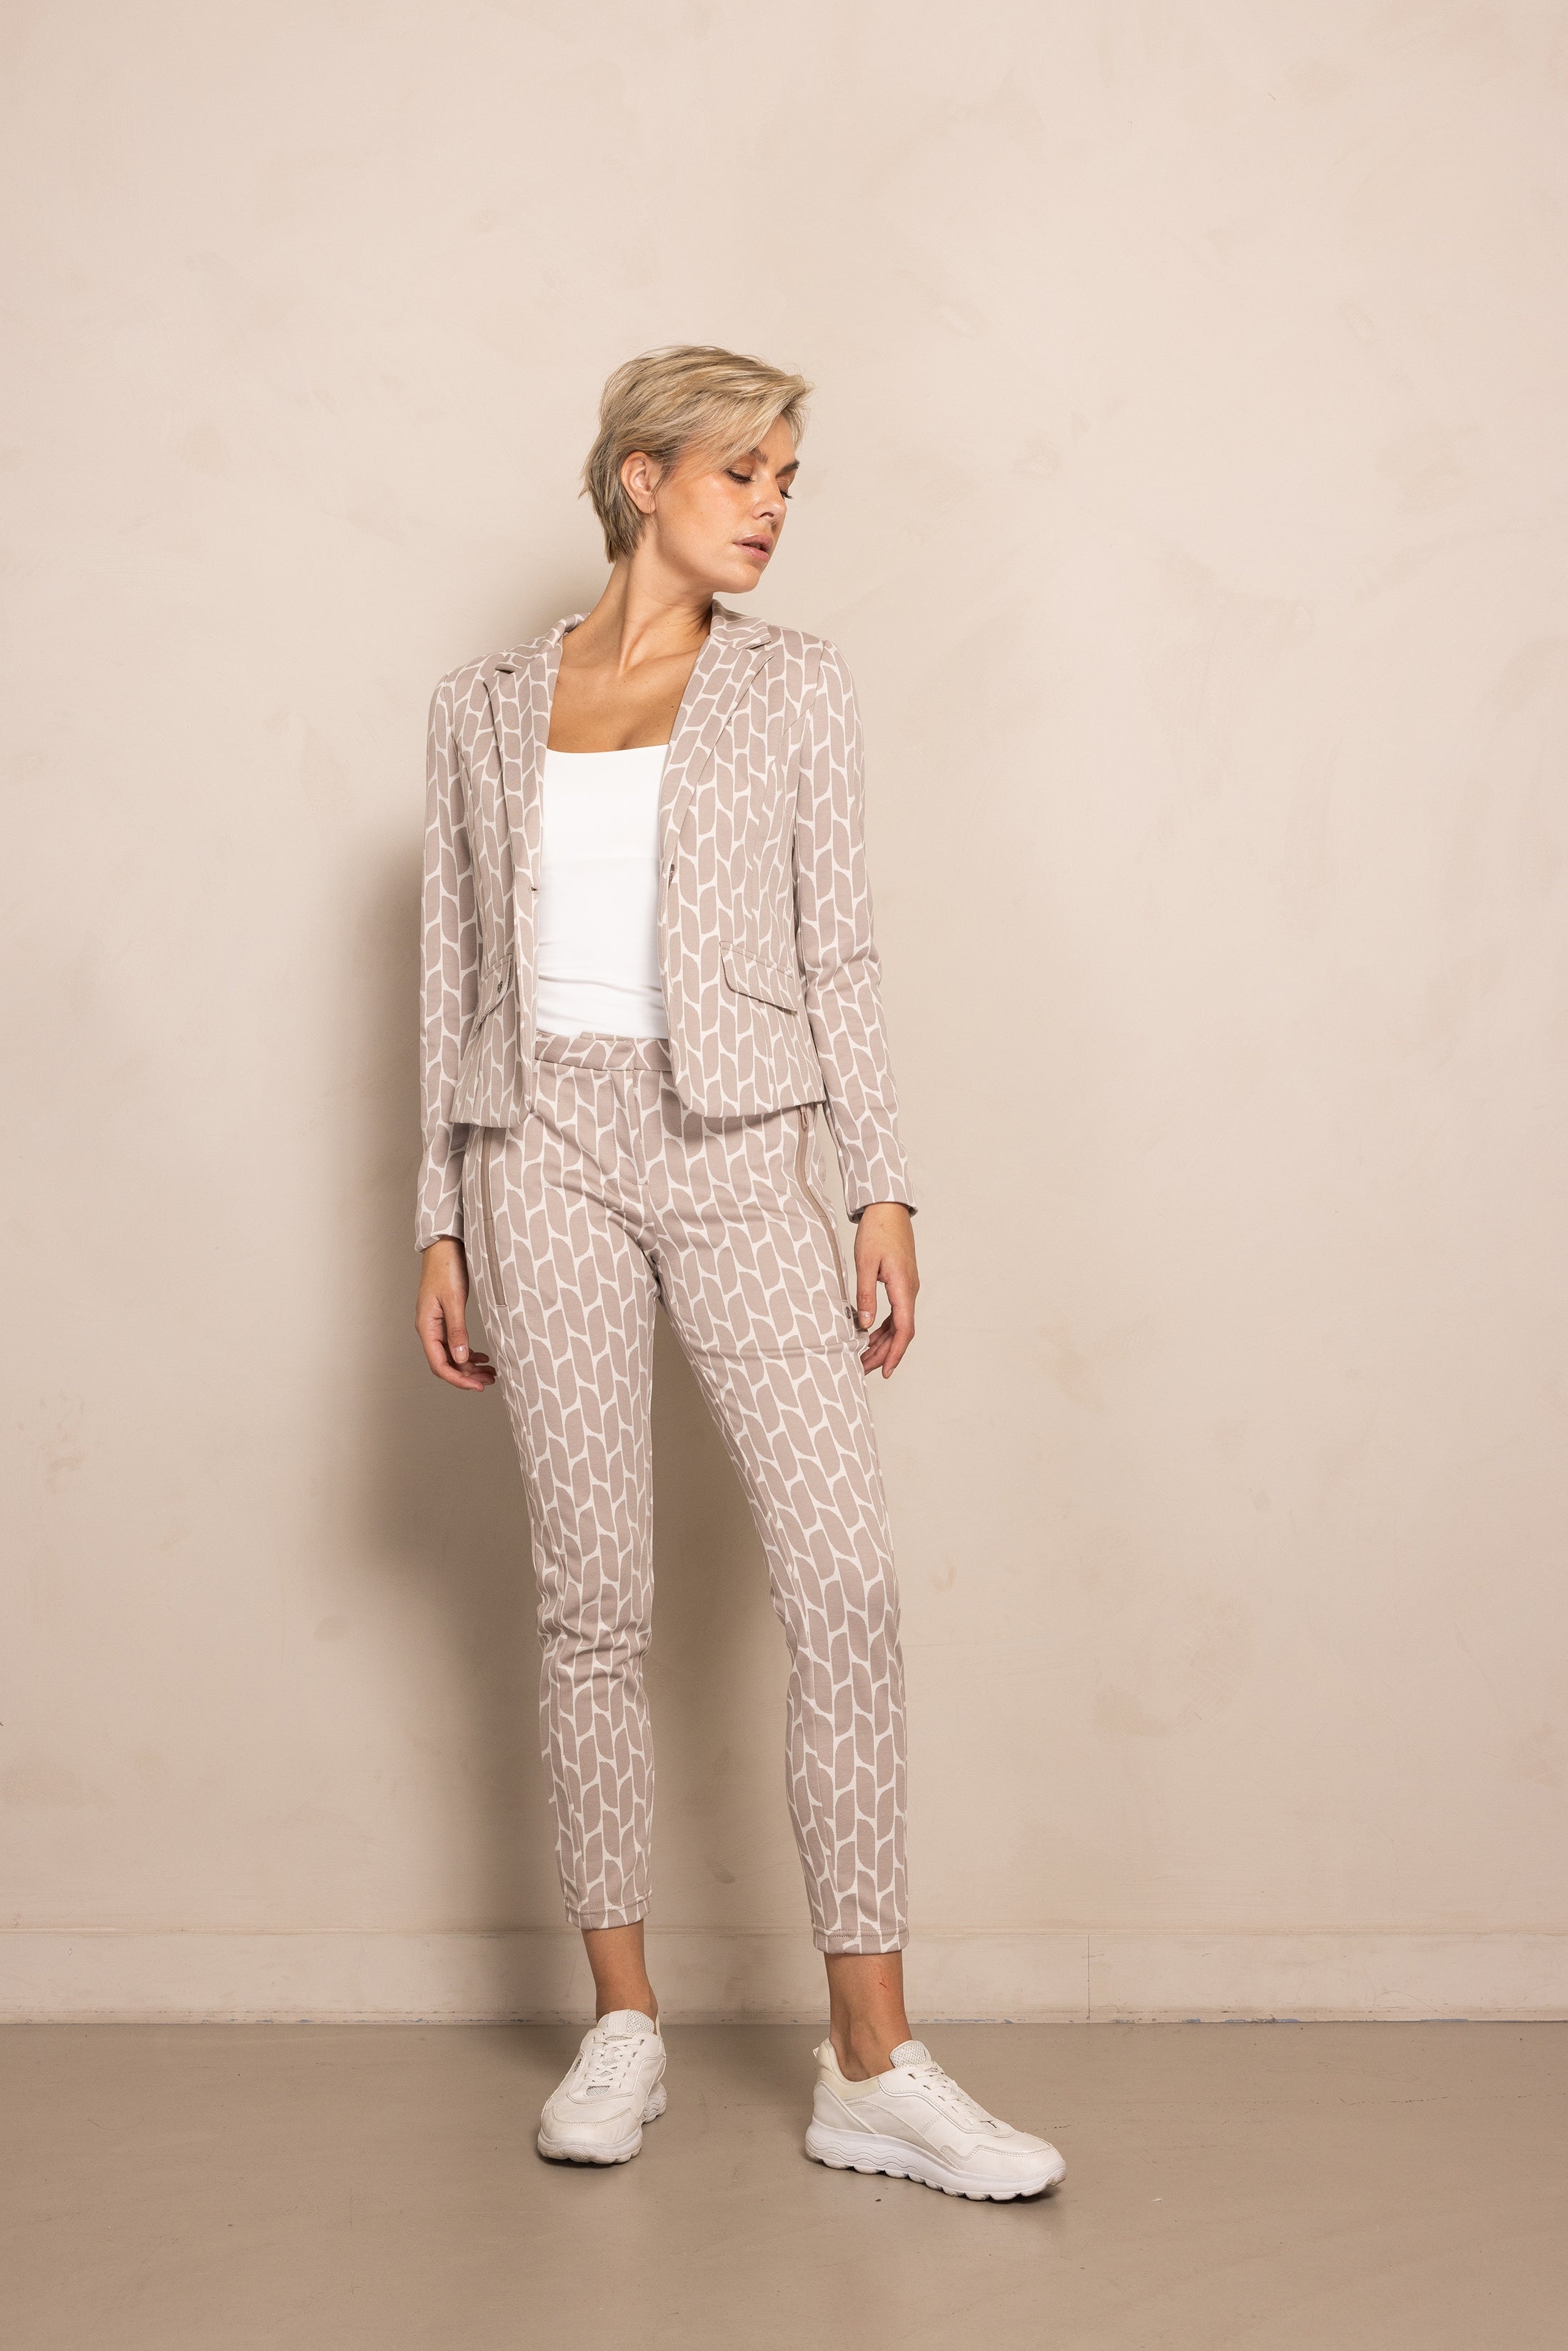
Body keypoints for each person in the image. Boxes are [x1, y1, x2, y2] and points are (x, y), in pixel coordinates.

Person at [414, 344, 1065, 2202]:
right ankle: (623, 2022)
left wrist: (880, 1181)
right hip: (536, 1147)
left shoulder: (796, 686)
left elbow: (837, 943)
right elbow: (452, 968)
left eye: (788, 477)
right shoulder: (479, 706)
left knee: (842, 1582)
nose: (774, 505)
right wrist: (437, 1213)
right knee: (591, 1599)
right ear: (641, 478)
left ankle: (873, 2061)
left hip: (738, 1140)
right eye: (741, 472)